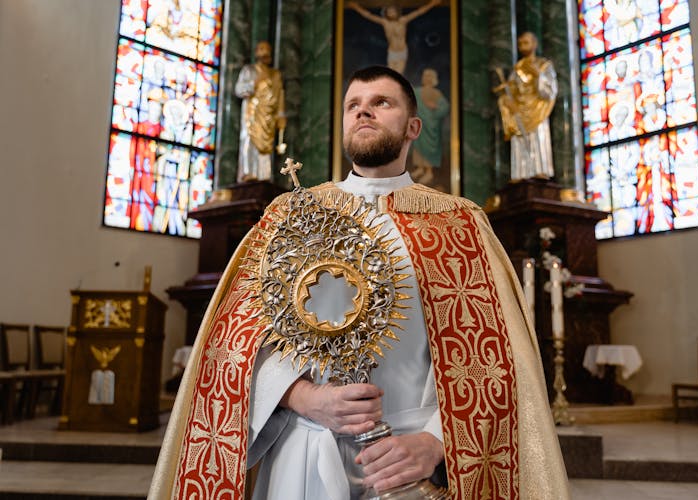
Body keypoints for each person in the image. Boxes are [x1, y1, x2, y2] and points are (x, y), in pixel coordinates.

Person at [149, 66, 569, 499]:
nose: (363, 112)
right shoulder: (289, 215)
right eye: (353, 106)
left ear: (413, 127)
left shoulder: (458, 222)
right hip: (302, 454)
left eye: (381, 103)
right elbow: (232, 344)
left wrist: (435, 441)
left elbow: (498, 357)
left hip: (409, 463)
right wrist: (302, 397)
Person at [494, 32, 558, 181]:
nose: (523, 46)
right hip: (520, 111)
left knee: (538, 137)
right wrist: (507, 100)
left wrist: (538, 76)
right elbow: (512, 90)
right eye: (520, 43)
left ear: (535, 44)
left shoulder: (544, 65)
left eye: (526, 42)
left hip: (537, 110)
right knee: (519, 139)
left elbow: (550, 91)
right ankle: (520, 174)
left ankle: (540, 170)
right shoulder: (517, 68)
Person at [235, 41, 287, 182]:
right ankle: (248, 172)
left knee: (266, 146)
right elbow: (239, 89)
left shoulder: (275, 74)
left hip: (268, 115)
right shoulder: (249, 70)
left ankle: (264, 175)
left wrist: (281, 114)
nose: (265, 53)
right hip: (252, 113)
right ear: (257, 52)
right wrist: (254, 83)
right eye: (262, 49)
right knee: (249, 140)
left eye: (268, 49)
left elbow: (279, 94)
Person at [347, 0, 440, 74]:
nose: (391, 13)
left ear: (397, 12)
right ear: (386, 13)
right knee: (391, 75)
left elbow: (419, 12)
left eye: (393, 11)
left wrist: (432, 3)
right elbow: (368, 15)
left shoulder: (403, 20)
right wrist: (356, 7)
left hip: (402, 51)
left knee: (399, 76)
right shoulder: (385, 23)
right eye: (389, 11)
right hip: (392, 52)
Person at [411, 68, 449, 185]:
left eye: (429, 77)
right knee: (418, 146)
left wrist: (436, 108)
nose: (427, 78)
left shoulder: (437, 93)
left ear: (433, 79)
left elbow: (445, 107)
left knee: (429, 148)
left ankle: (429, 171)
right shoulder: (417, 91)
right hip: (420, 126)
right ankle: (420, 168)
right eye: (425, 76)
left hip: (431, 125)